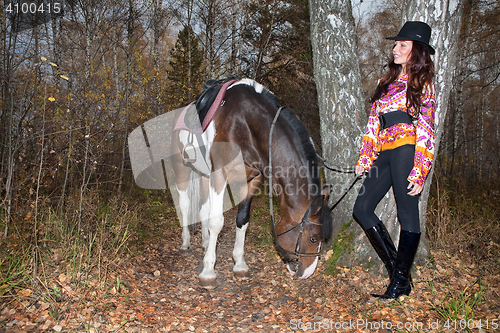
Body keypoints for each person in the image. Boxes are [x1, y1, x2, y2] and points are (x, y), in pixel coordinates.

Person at [352, 21, 436, 299]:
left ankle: (399, 282)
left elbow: (426, 127)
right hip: (384, 151)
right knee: (362, 208)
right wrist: (366, 157)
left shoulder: (422, 83)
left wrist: (420, 170)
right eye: (395, 44)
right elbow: (373, 123)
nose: (395, 48)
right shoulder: (384, 82)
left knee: (407, 212)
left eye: (402, 45)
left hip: (407, 150)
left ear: (417, 51)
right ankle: (398, 273)